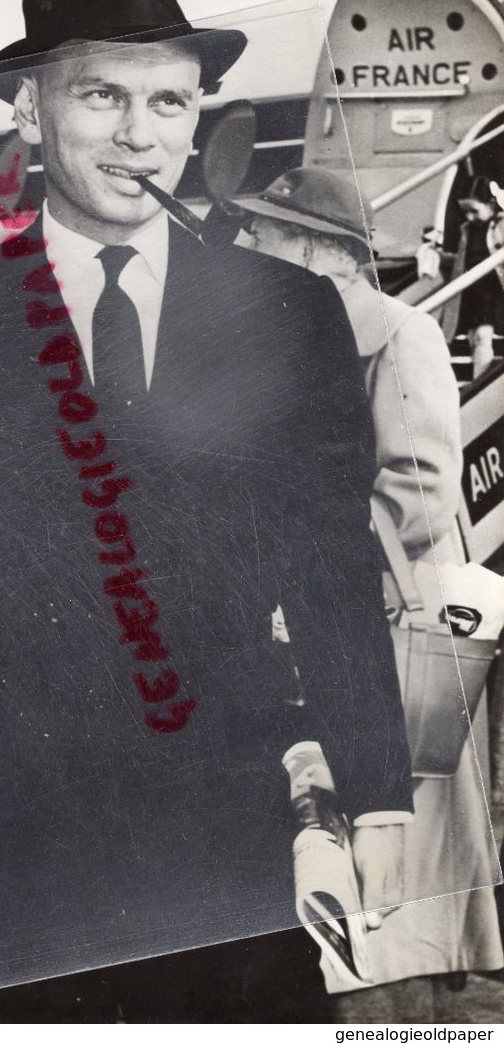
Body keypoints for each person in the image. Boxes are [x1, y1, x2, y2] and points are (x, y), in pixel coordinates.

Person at [0, 0, 413, 1022]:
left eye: (171, 103)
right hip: (1, 854)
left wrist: (375, 804)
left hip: (227, 850)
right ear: (29, 112)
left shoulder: (285, 314)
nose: (142, 134)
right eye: (102, 95)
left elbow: (331, 569)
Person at [234, 166, 503, 1019]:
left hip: (382, 646)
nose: (244, 248)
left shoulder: (399, 333)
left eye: (264, 234)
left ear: (321, 253)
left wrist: (302, 577)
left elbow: (419, 490)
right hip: (309, 648)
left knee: (392, 915)